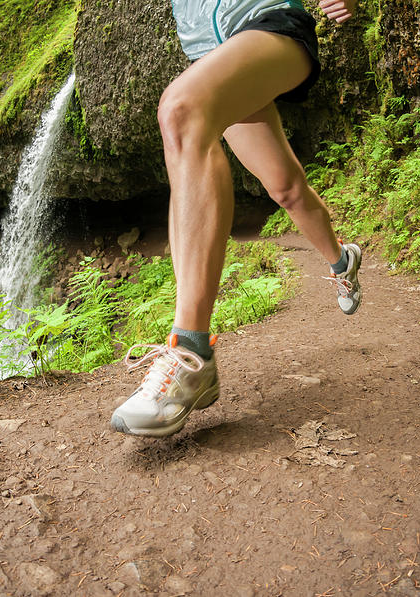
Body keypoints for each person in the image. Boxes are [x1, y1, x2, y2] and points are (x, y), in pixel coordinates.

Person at [110, 0, 363, 437]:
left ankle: (191, 352)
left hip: (271, 27)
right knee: (285, 187)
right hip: (211, 54)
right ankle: (343, 261)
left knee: (180, 110)